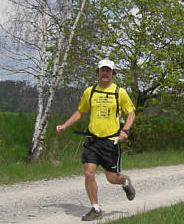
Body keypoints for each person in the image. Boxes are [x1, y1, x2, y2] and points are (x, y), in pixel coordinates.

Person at [56, 59, 136, 221]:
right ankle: (95, 208)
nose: (105, 73)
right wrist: (65, 125)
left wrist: (125, 130)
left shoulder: (119, 92)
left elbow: (131, 113)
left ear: (113, 74)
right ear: (98, 73)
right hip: (92, 140)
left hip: (111, 141)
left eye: (108, 71)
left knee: (112, 178)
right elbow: (81, 112)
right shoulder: (89, 92)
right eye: (102, 70)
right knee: (88, 173)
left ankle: (125, 182)